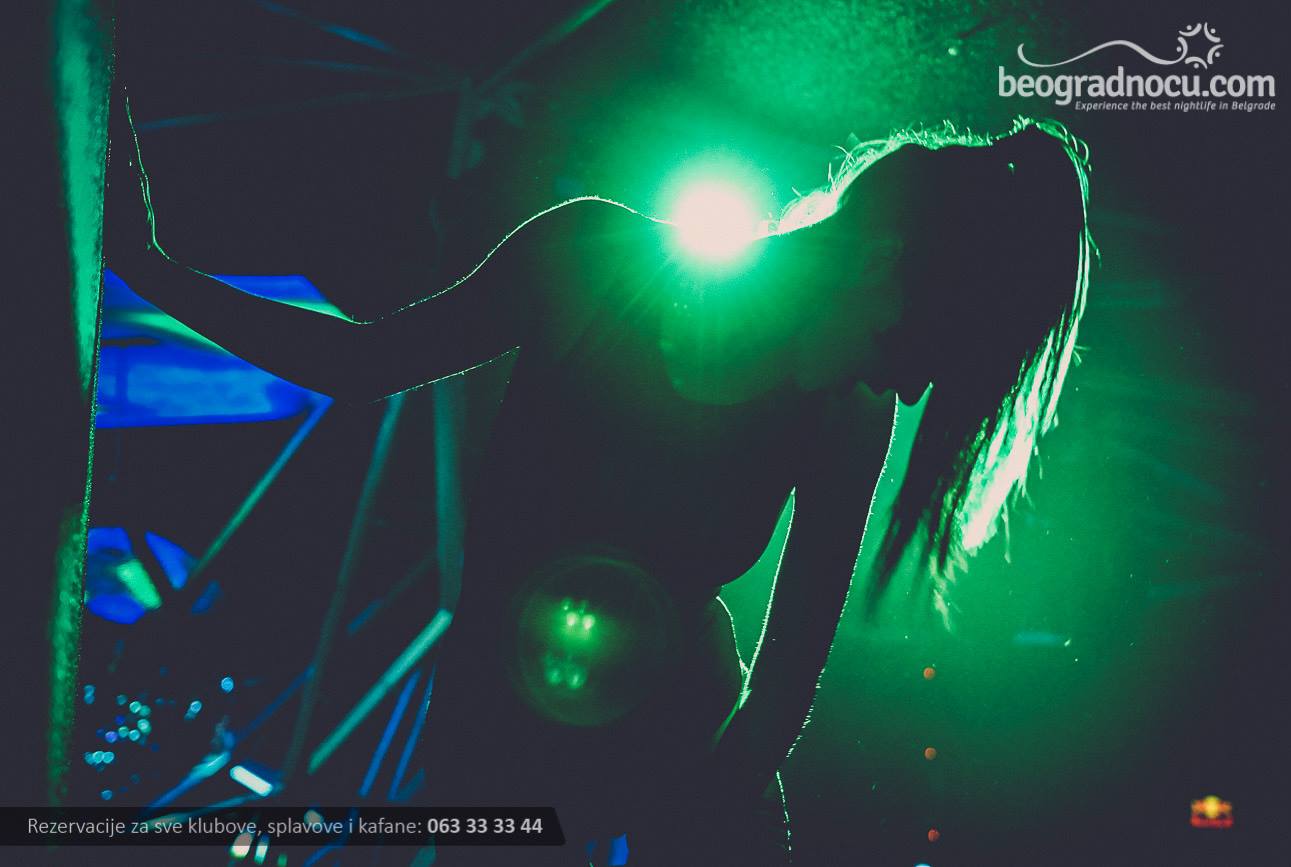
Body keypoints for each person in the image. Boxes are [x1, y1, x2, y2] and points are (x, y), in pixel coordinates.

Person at [105, 85, 1091, 864]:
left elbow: (780, 693)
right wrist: (149, 269)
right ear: (877, 262)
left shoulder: (846, 413)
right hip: (497, 725)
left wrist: (700, 819)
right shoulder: (591, 261)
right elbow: (361, 362)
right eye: (909, 353)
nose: (904, 386)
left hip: (692, 753)